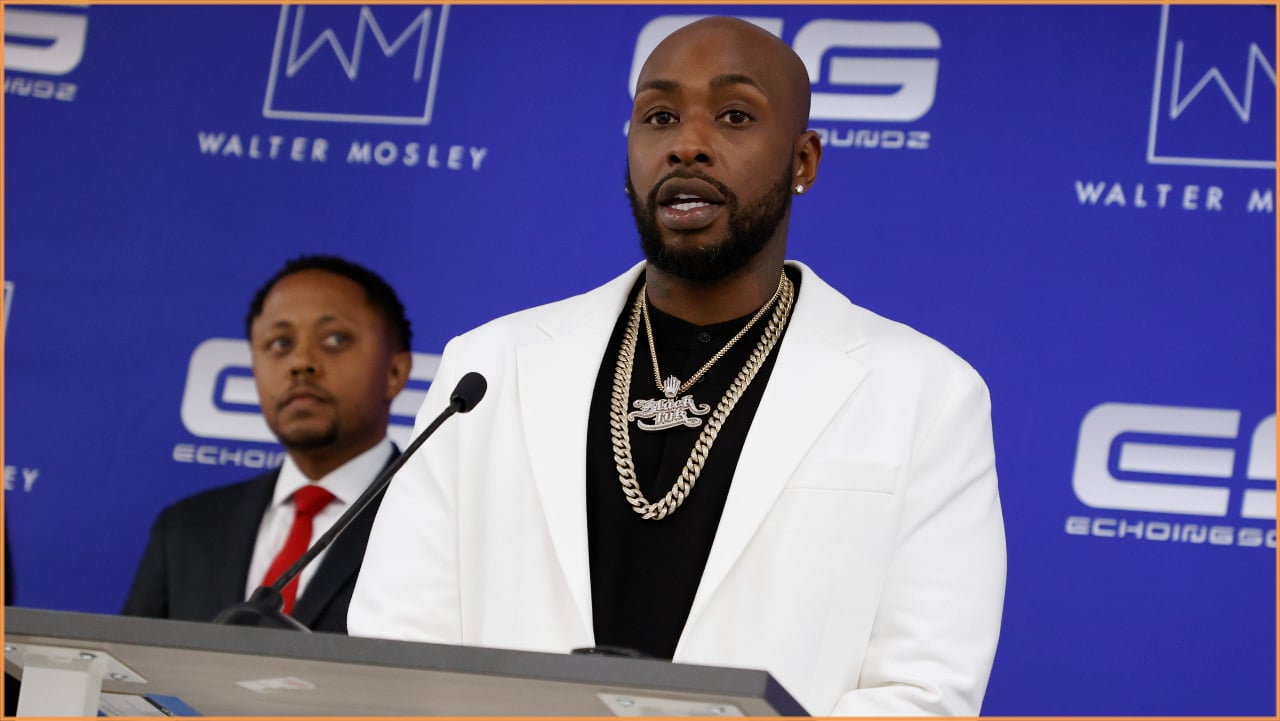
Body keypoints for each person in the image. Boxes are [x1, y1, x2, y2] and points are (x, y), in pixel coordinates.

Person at [349, 17, 1005, 715]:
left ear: (803, 161)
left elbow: (922, 692)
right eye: (658, 116)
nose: (687, 145)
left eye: (734, 115)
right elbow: (398, 647)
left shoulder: (925, 393)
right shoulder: (486, 368)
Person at [124, 255, 413, 633]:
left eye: (336, 339)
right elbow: (125, 680)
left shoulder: (435, 521)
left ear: (395, 372)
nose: (300, 362)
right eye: (279, 343)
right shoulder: (186, 530)